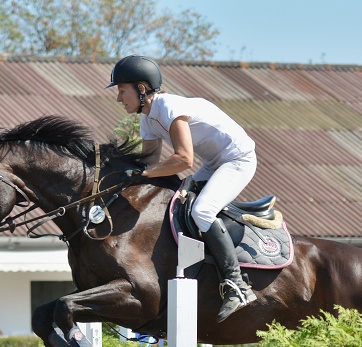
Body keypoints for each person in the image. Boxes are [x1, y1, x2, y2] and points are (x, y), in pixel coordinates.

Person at [107, 55, 258, 322]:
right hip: (215, 162)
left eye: (122, 90)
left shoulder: (168, 107)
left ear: (141, 89)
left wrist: (142, 172)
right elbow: (150, 165)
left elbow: (183, 159)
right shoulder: (148, 119)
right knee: (176, 206)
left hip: (238, 159)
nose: (119, 98)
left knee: (201, 212)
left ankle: (237, 286)